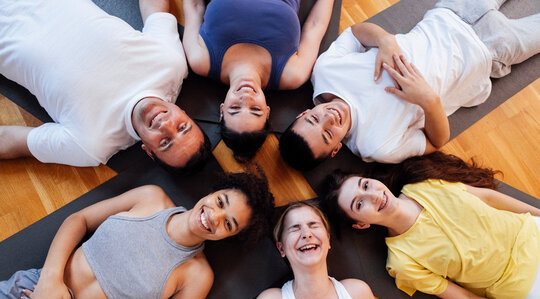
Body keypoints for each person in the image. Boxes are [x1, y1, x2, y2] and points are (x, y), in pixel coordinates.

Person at [0, 172, 275, 299]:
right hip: (29, 289)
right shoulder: (150, 197)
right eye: (220, 202)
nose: (213, 216)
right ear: (214, 192)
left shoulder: (198, 276)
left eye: (228, 223)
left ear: (230, 236)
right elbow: (78, 220)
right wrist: (50, 280)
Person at [280, 0, 540, 170]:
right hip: (489, 52)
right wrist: (428, 100)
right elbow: (436, 142)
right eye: (328, 134)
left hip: (451, 13)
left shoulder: (324, 72)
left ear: (305, 113)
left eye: (313, 120)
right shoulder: (375, 145)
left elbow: (356, 32)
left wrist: (385, 41)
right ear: (336, 149)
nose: (329, 118)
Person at [323, 151, 540, 299]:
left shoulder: (426, 185)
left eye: (366, 185)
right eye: (360, 204)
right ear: (360, 224)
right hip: (524, 286)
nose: (374, 196)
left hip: (533, 229)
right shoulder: (402, 263)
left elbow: (488, 198)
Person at [0, 0, 211, 170]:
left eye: (164, 142)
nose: (165, 125)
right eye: (182, 126)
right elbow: (155, 10)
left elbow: (10, 141)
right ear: (184, 113)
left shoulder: (92, 145)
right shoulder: (171, 64)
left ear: (147, 150)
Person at [182, 0, 334, 161]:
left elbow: (194, 6)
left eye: (234, 107)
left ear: (222, 110)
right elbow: (315, 26)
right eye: (255, 109)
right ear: (267, 111)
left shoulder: (200, 60)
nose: (246, 97)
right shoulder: (293, 74)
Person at [244, 201, 391, 299]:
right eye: (295, 228)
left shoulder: (358, 293)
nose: (306, 234)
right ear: (281, 248)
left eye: (313, 225)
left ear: (328, 240)